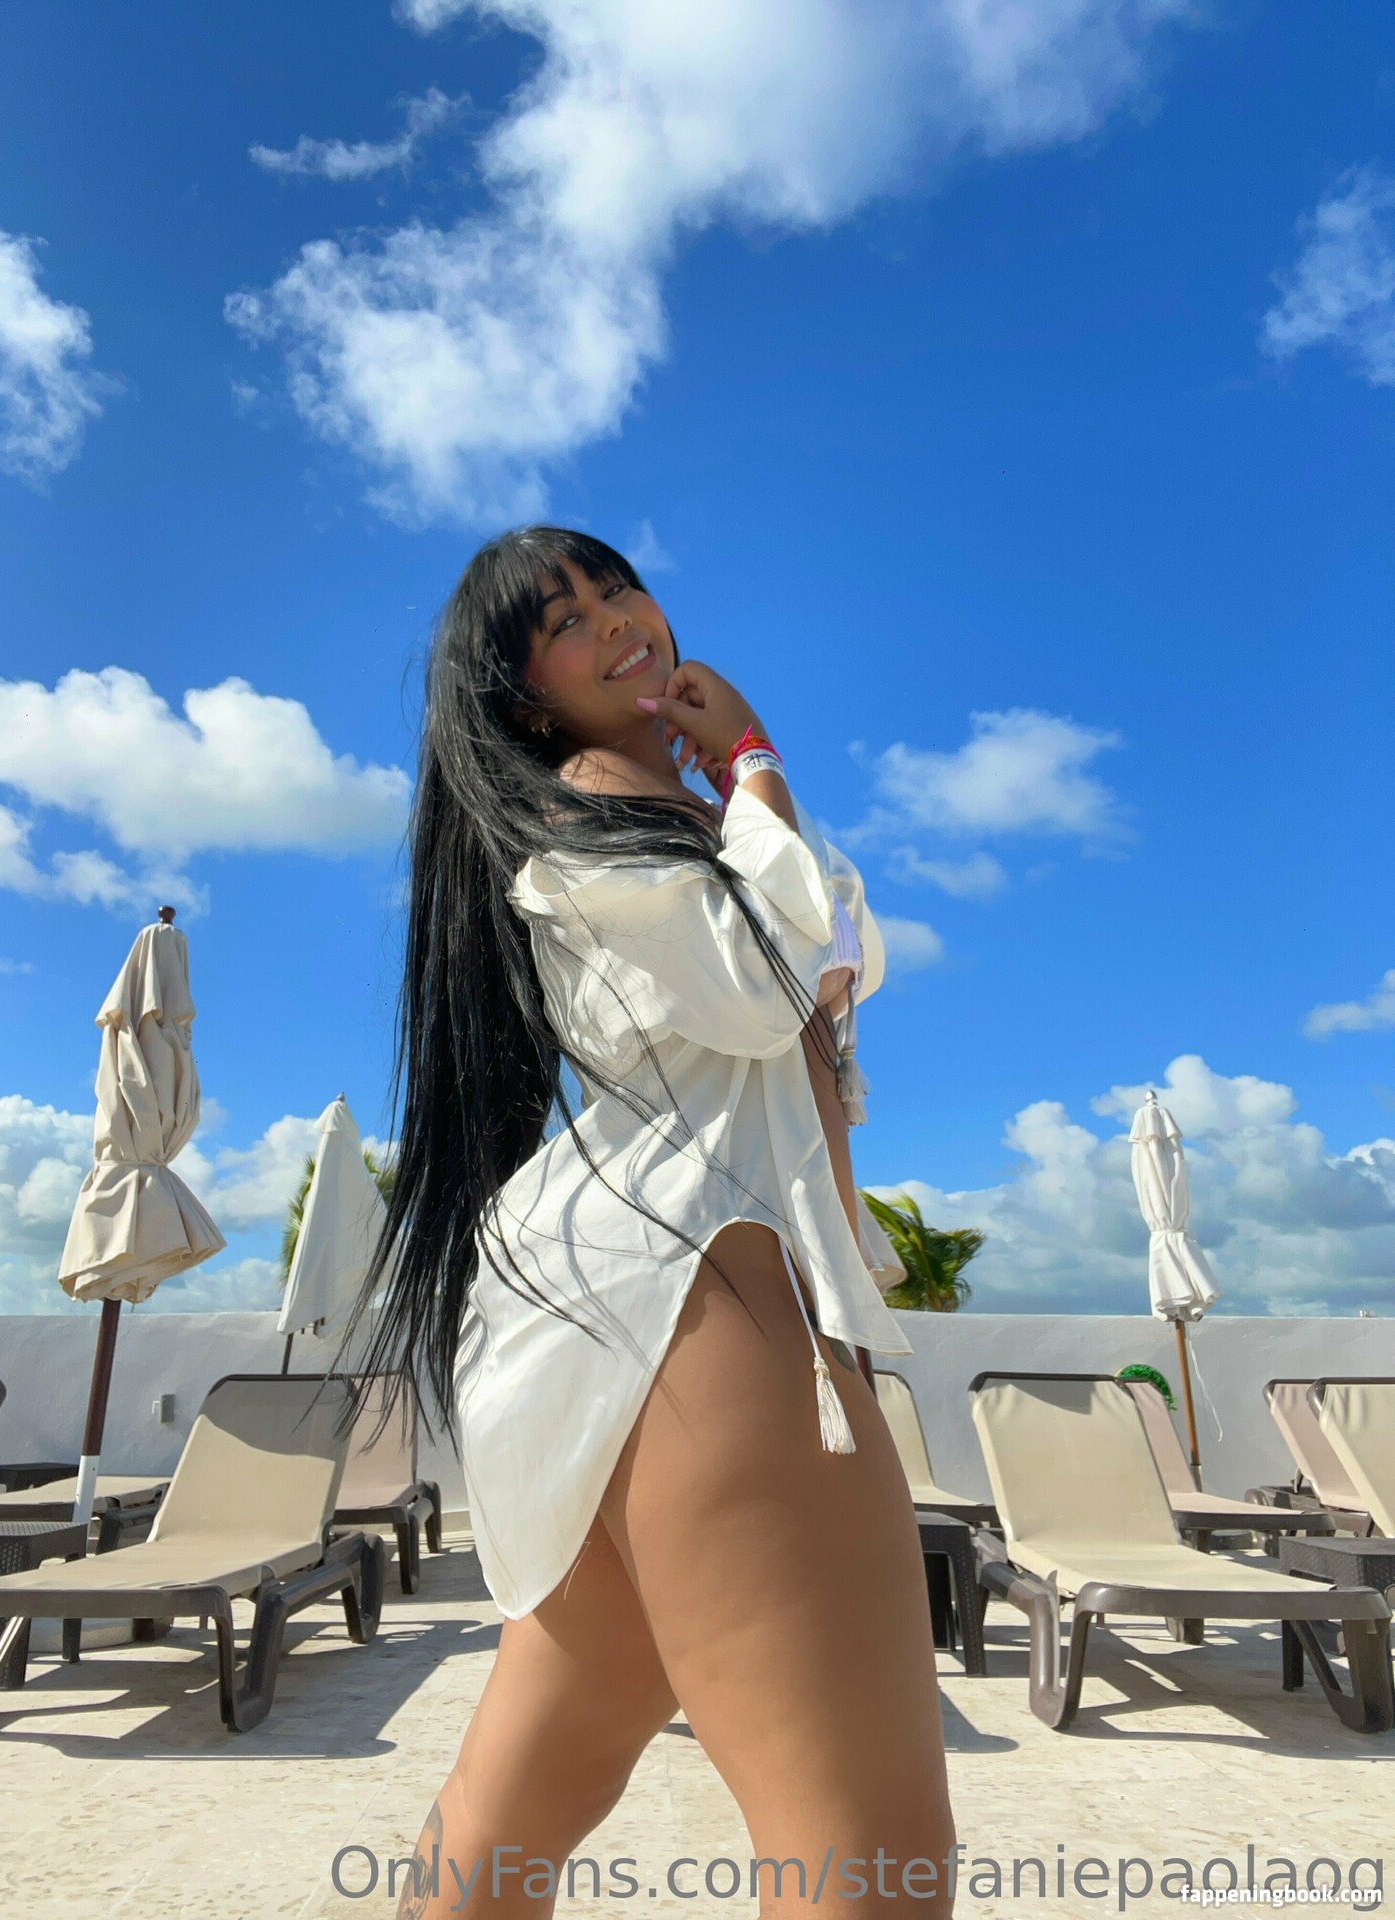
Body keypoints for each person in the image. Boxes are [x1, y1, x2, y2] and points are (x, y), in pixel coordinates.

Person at [359, 527, 956, 1916]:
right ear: (523, 698)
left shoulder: (661, 823)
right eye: (564, 620)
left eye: (616, 586)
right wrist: (752, 755)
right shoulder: (587, 820)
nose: (615, 618)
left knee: (514, 1806)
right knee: (871, 1863)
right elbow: (769, 987)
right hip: (713, 1294)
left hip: (654, 1305)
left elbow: (829, 962)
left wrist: (741, 789)